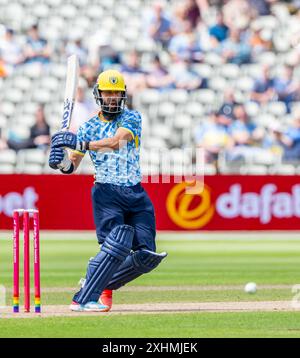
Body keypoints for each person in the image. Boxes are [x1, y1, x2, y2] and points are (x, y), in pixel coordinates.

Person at [49, 69, 167, 312]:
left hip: (135, 192)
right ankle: (83, 298)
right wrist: (60, 161)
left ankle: (96, 281)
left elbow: (117, 142)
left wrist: (81, 144)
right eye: (108, 92)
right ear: (98, 94)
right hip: (107, 193)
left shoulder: (131, 118)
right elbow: (72, 166)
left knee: (147, 256)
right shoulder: (87, 127)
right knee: (119, 241)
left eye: (117, 93)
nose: (112, 97)